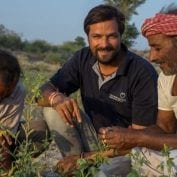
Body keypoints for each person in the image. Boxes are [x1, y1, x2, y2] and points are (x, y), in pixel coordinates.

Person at [38, 4, 158, 176]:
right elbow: (41, 93)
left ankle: (80, 167)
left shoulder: (141, 72)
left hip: (126, 149)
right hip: (95, 139)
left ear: (121, 35)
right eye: (96, 36)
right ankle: (75, 169)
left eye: (111, 36)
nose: (104, 44)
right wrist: (56, 98)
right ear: (88, 37)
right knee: (52, 109)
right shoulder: (83, 58)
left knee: (100, 173)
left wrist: (83, 158)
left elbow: (140, 139)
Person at [99, 3, 177, 176]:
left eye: (157, 48)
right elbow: (165, 128)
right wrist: (127, 135)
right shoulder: (167, 78)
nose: (152, 56)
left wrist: (136, 137)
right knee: (135, 153)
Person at [0, 49, 48, 173]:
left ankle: (15, 167)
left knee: (40, 130)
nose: (3, 96)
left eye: (6, 93)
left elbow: (6, 136)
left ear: (14, 82)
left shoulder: (18, 90)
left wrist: (7, 172)